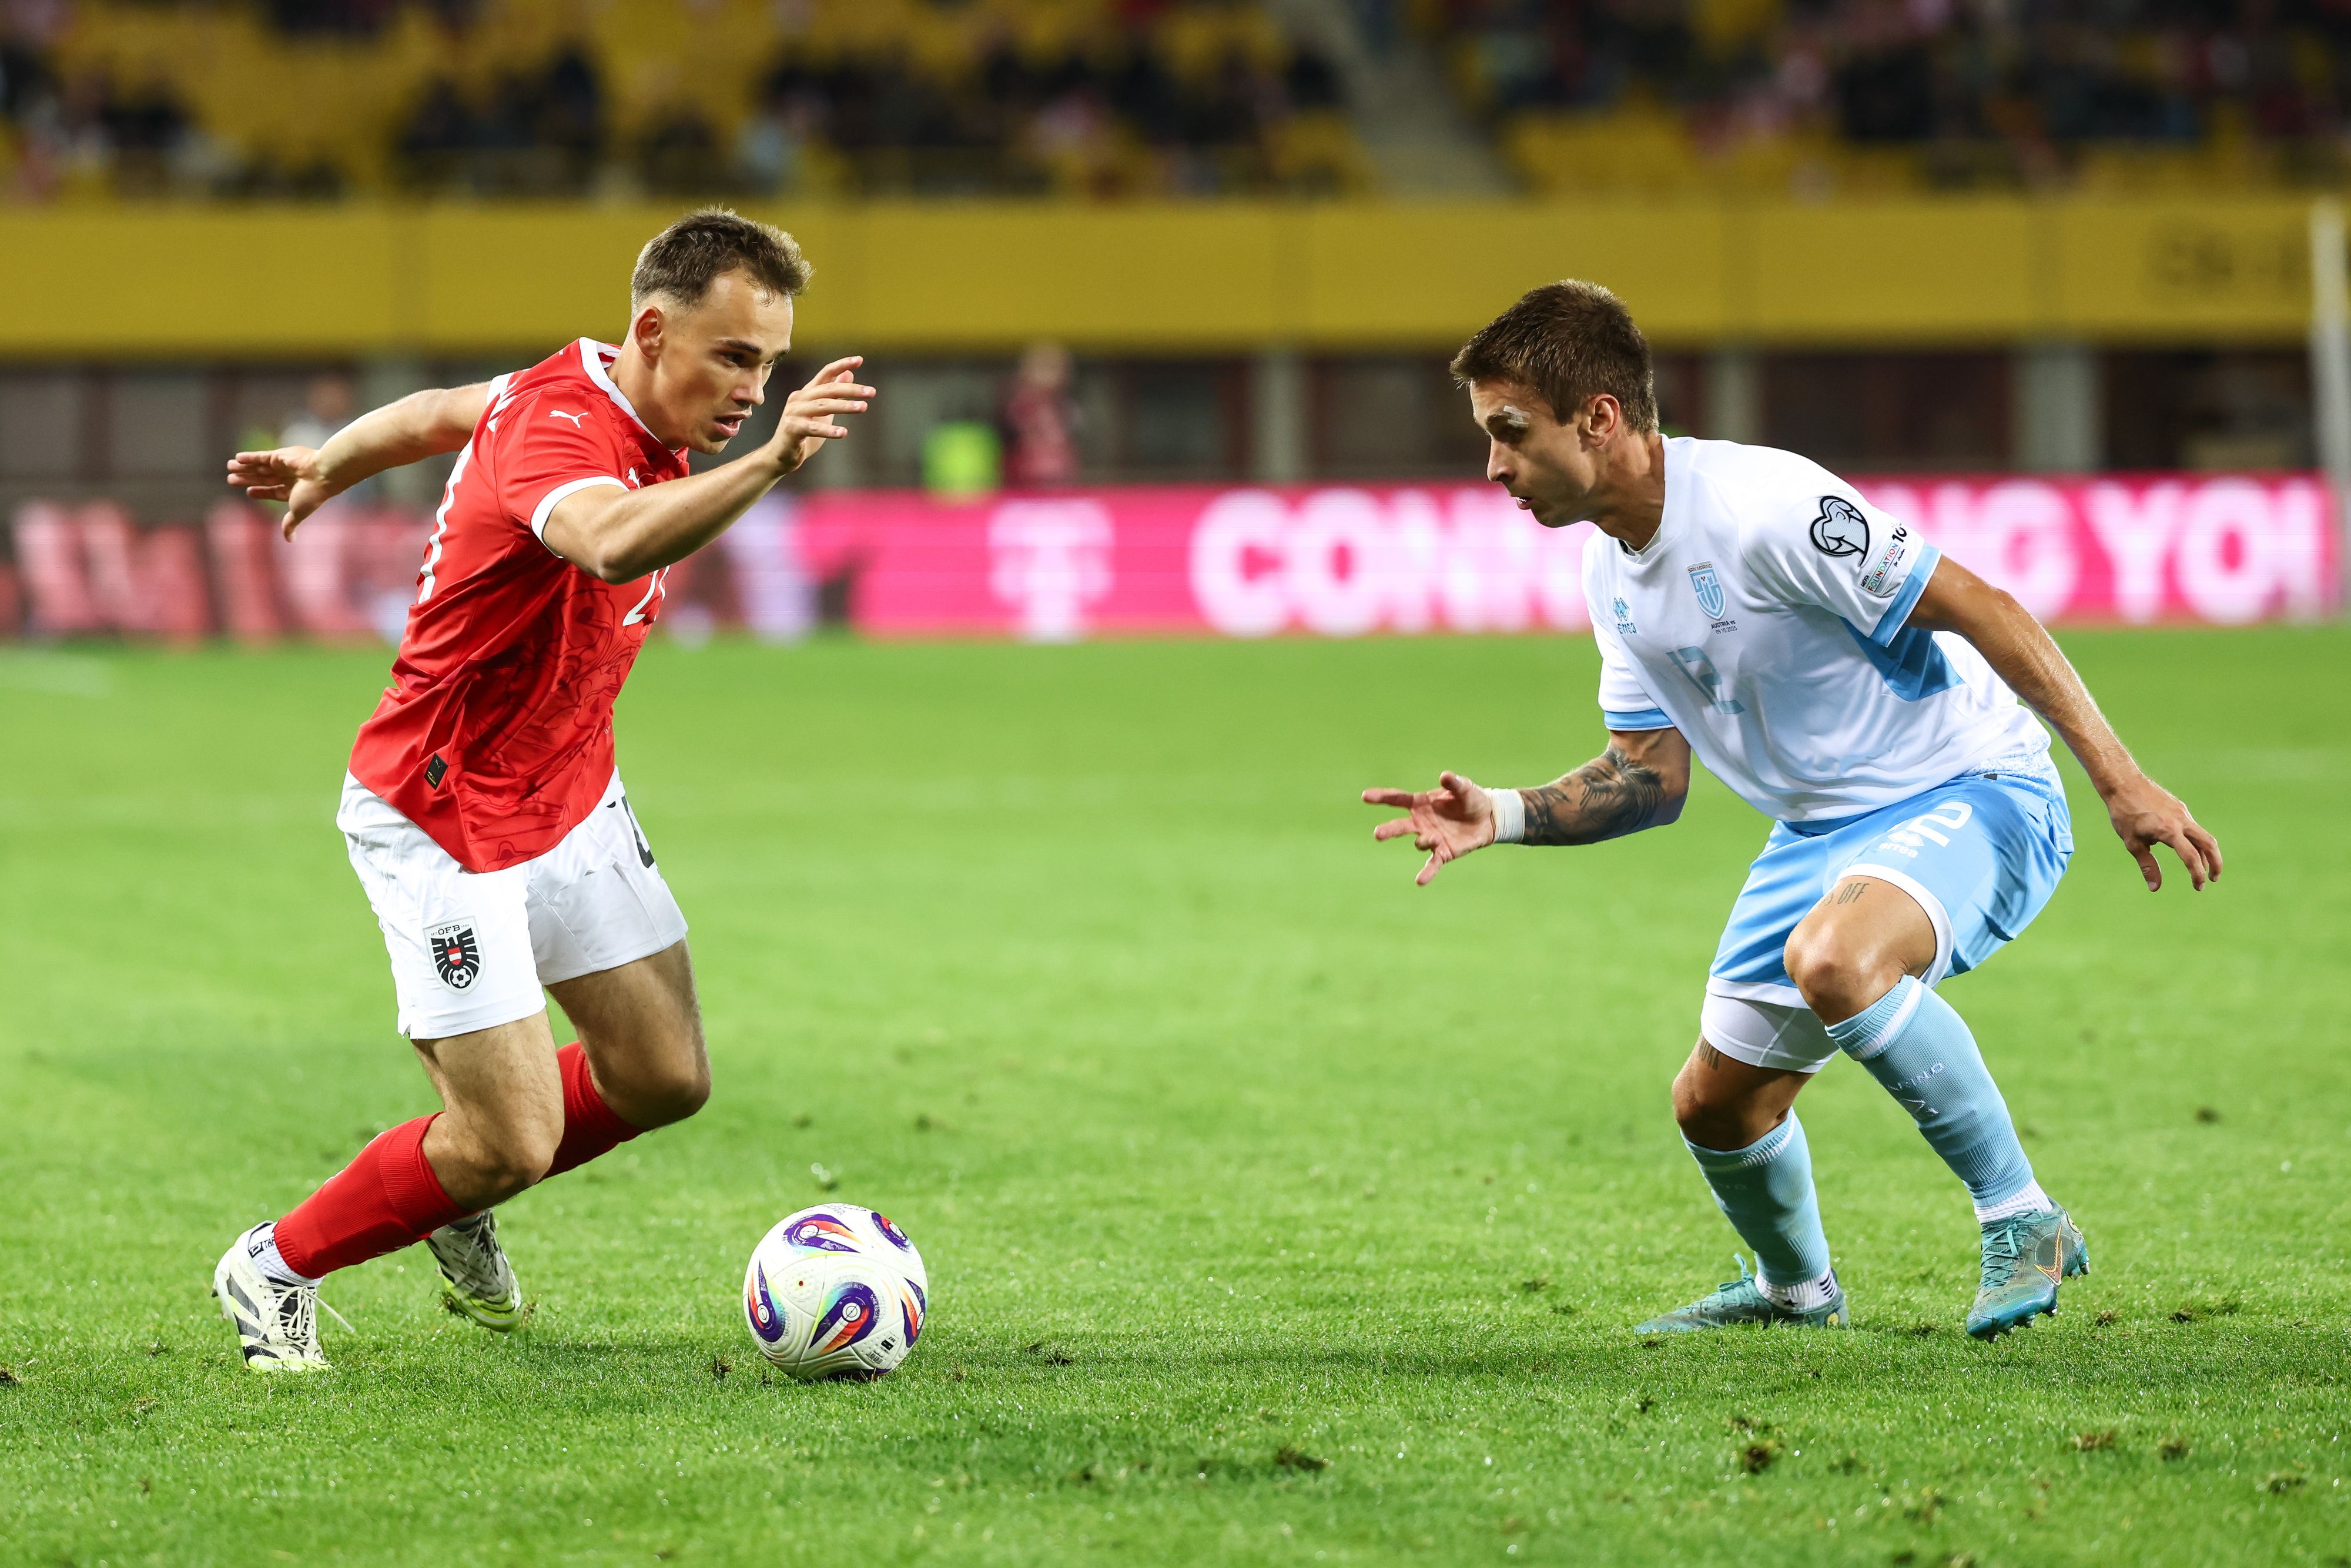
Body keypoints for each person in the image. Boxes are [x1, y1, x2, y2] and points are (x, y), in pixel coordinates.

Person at [1363, 281, 2221, 1340]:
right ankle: (1794, 1293)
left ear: (1599, 418)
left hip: (1972, 786)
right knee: (1714, 1107)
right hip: (1820, 834)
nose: (1492, 466)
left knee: (1835, 960)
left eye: (1510, 433)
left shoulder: (1766, 507)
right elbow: (1650, 779)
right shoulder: (1609, 571)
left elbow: (1986, 607)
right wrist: (1503, 812)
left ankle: (2025, 1220)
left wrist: (2120, 778)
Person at [211, 208, 876, 1371]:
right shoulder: (566, 430)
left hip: (567, 793)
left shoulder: (574, 380)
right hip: (444, 813)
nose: (751, 390)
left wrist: (332, 461)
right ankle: (274, 1263)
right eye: (733, 358)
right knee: (516, 1141)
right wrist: (771, 465)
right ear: (653, 330)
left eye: (767, 366)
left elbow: (436, 412)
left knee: (664, 1076)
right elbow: (610, 543)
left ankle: (442, 1172)